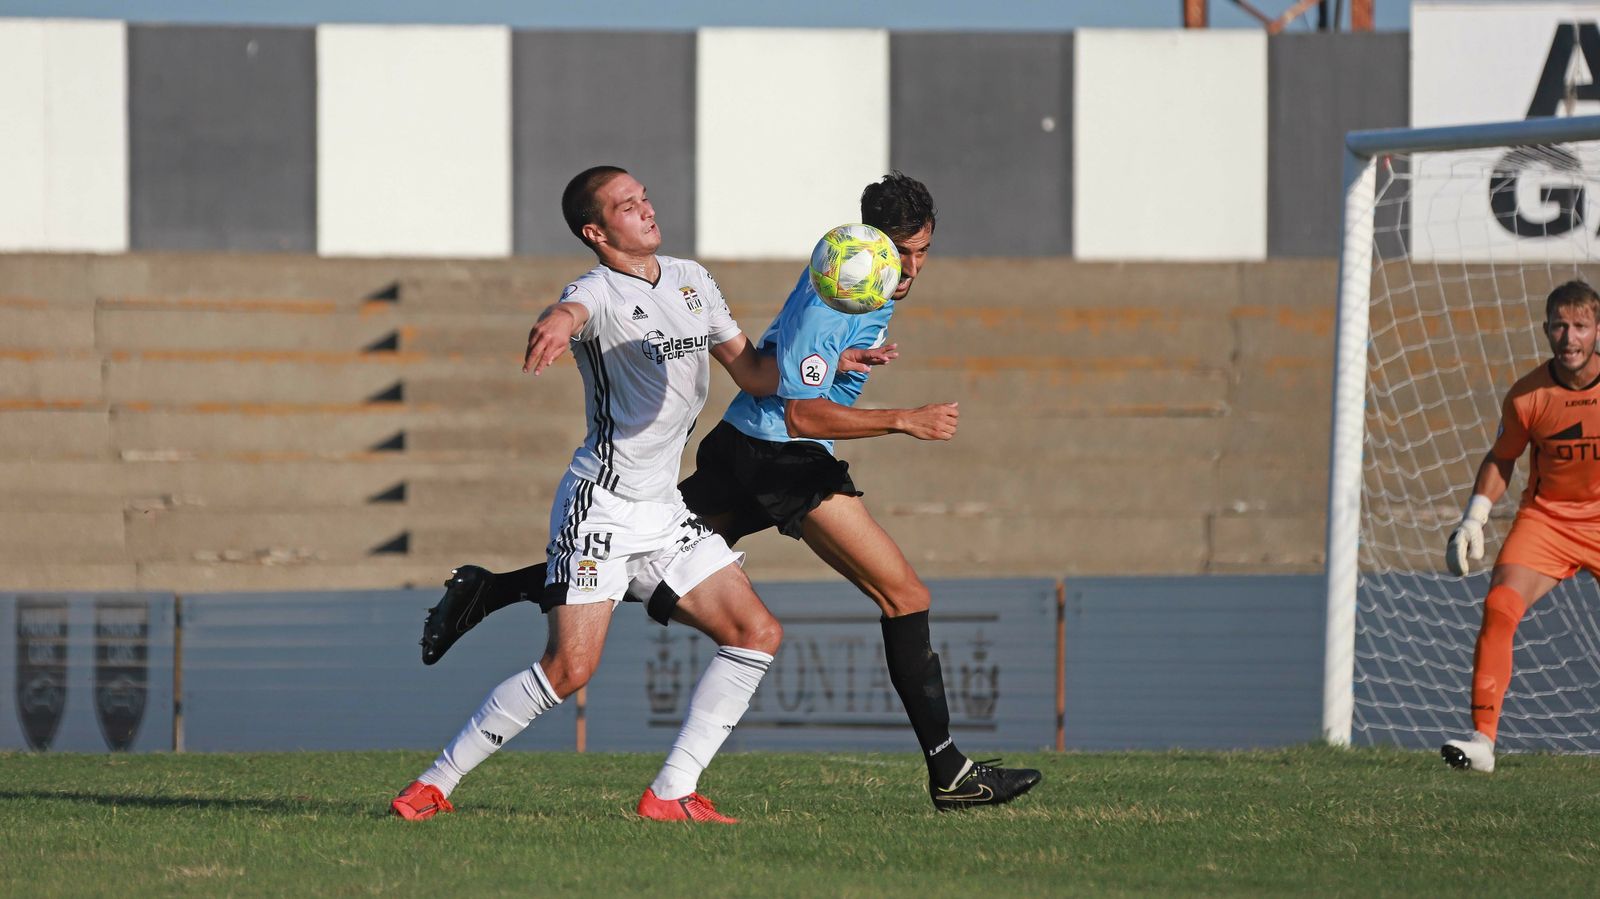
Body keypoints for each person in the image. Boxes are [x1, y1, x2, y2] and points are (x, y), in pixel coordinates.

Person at [419, 173, 1041, 811]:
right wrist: (903, 419)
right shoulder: (844, 292)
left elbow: (783, 366)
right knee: (905, 595)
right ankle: (950, 774)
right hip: (782, 458)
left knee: (642, 561)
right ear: (868, 242)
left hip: (746, 443)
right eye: (900, 251)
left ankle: (490, 591)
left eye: (921, 252)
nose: (909, 267)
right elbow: (802, 416)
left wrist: (838, 364)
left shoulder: (850, 272)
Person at [392, 165, 792, 825]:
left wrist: (823, 364)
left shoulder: (692, 279)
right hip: (600, 506)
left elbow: (751, 371)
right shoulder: (598, 290)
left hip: (663, 510)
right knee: (569, 669)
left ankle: (670, 793)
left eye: (643, 196)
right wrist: (555, 322)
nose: (645, 208)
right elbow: (571, 308)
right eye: (626, 205)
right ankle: (434, 782)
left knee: (757, 631)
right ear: (596, 230)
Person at [1441, 279, 1600, 773]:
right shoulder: (1527, 396)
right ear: (1545, 330)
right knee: (1500, 605)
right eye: (1559, 326)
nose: (1569, 338)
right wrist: (1474, 518)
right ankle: (1483, 743)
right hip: (1548, 520)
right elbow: (1502, 457)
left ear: (1598, 329)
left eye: (1580, 326)